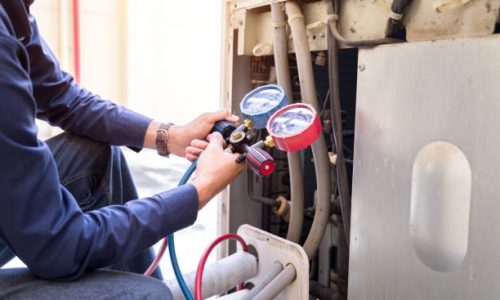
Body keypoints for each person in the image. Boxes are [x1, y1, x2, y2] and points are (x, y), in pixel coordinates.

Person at [0, 0, 243, 299]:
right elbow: (59, 244)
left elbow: (61, 96)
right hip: (54, 242)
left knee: (92, 156)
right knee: (145, 296)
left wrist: (172, 136)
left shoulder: (12, 12)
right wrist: (198, 191)